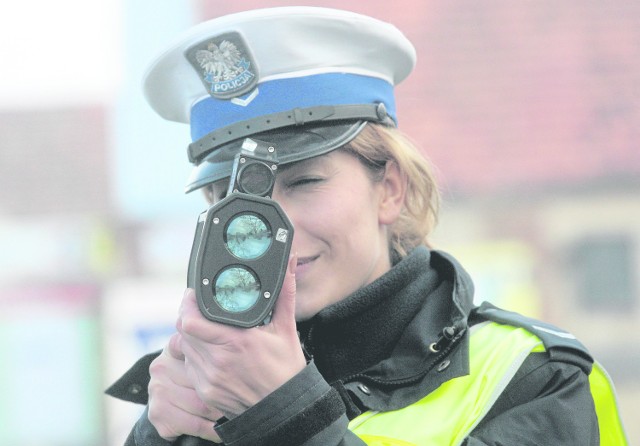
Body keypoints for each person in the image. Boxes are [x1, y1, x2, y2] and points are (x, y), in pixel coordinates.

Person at [107, 7, 628, 446]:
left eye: (304, 181)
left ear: (390, 188)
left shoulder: (533, 378)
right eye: (232, 198)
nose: (266, 230)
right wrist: (158, 435)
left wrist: (290, 418)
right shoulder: (197, 386)